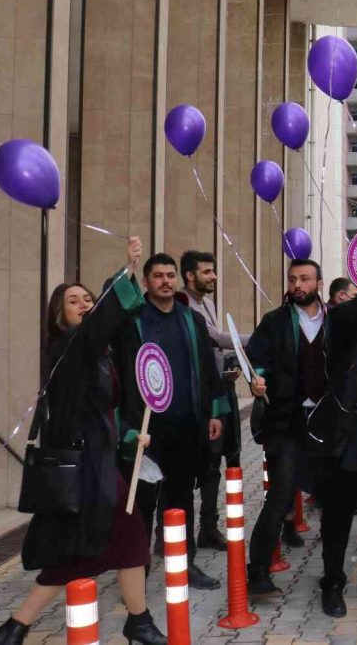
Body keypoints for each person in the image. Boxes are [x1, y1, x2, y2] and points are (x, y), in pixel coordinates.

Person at [0, 239, 167, 645]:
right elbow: (99, 326)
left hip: (98, 463)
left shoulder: (95, 354)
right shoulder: (69, 347)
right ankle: (136, 622)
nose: (85, 304)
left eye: (89, 298)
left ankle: (16, 628)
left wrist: (131, 435)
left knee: (105, 545)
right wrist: (127, 271)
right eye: (74, 301)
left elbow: (102, 412)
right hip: (85, 469)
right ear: (60, 316)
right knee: (108, 543)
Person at [114, 253, 228, 591]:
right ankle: (137, 570)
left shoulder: (191, 320)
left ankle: (184, 563)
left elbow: (208, 368)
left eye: (170, 275)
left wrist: (214, 412)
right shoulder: (133, 321)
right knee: (143, 502)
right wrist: (128, 265)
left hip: (186, 424)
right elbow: (122, 372)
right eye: (158, 276)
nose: (165, 281)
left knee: (181, 500)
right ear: (145, 282)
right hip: (146, 429)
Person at [244, 259, 348, 605]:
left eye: (305, 279)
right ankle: (258, 571)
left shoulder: (337, 320)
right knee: (279, 497)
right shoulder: (274, 321)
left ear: (319, 283)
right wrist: (257, 380)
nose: (298, 285)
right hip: (287, 422)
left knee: (333, 501)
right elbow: (255, 360)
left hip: (327, 423)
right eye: (293, 279)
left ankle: (333, 577)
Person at [179, 250, 243, 552]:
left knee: (215, 464)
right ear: (190, 275)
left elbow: (213, 350)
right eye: (207, 272)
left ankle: (209, 526)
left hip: (217, 391)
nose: (213, 276)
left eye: (213, 271)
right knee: (193, 467)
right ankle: (172, 534)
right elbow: (215, 337)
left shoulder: (208, 302)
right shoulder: (183, 304)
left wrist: (227, 366)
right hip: (194, 399)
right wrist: (256, 340)